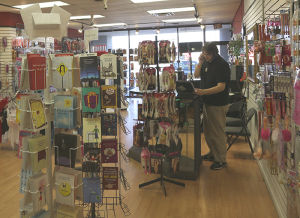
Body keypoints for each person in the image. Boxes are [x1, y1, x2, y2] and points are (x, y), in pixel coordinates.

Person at [194, 42, 230, 170]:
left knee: (218, 132)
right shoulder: (206, 62)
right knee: (208, 132)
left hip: (218, 104)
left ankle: (221, 160)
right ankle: (213, 153)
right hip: (207, 102)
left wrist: (203, 92)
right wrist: (200, 62)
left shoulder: (221, 65)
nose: (205, 56)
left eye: (207, 54)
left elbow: (221, 87)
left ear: (214, 53)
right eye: (204, 54)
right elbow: (196, 75)